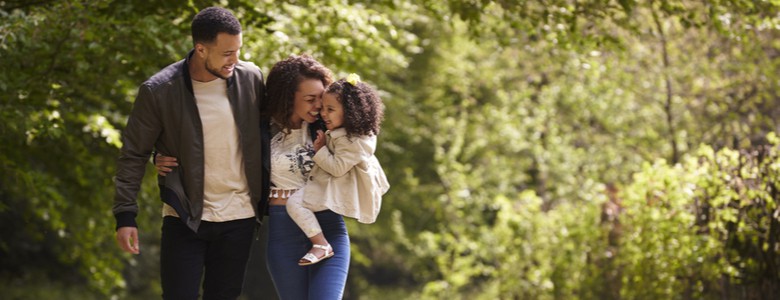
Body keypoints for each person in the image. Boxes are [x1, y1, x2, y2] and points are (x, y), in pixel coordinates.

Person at [156, 54, 350, 299]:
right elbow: (210, 143)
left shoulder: (329, 127)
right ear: (288, 97)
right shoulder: (258, 128)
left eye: (321, 99)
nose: (318, 107)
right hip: (283, 231)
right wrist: (161, 156)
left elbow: (361, 145)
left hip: (328, 227)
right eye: (310, 99)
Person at [113, 7, 268, 299]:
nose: (235, 60)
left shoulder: (251, 78)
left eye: (238, 50)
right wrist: (125, 216)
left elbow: (278, 129)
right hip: (184, 215)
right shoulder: (159, 90)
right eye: (226, 53)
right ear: (200, 49)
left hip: (240, 216)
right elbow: (133, 153)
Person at [287, 74, 390, 266]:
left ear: (350, 112)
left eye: (330, 109)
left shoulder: (353, 141)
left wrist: (320, 150)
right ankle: (320, 244)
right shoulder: (348, 134)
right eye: (324, 108)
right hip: (329, 185)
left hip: (339, 188)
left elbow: (337, 168)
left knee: (294, 204)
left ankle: (320, 244)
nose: (323, 114)